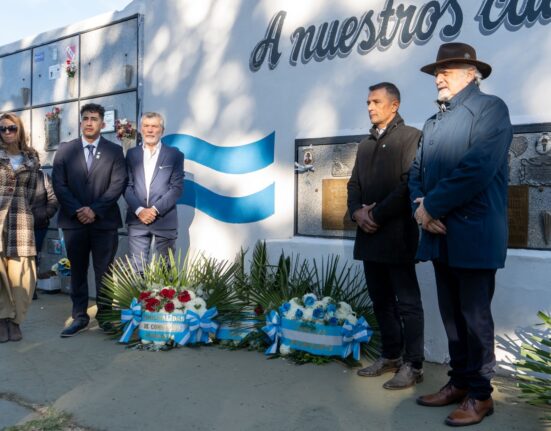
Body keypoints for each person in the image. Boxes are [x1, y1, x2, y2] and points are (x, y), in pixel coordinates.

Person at [409, 43, 512, 426]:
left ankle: (481, 395)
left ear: (471, 74)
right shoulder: (433, 122)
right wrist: (421, 210)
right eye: (437, 71)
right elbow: (416, 173)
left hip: (473, 233)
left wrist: (432, 206)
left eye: (447, 70)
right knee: (452, 317)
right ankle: (459, 383)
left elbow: (478, 167)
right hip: (439, 235)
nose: (439, 77)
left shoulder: (491, 109)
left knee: (474, 319)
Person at [347, 82, 424, 389]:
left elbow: (408, 184)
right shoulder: (364, 145)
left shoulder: (411, 136)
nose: (370, 107)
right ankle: (391, 355)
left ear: (394, 105)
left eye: (376, 102)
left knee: (408, 303)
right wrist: (357, 213)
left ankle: (413, 364)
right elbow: (354, 185)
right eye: (368, 102)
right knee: (380, 300)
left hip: (398, 235)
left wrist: (375, 215)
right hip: (369, 236)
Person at [52, 103, 127, 337]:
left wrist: (94, 210)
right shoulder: (65, 150)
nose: (89, 122)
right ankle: (80, 317)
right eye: (85, 118)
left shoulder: (114, 151)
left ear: (102, 124)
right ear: (80, 122)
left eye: (94, 119)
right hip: (73, 222)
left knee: (105, 271)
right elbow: (59, 184)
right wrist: (78, 210)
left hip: (104, 222)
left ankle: (105, 316)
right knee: (77, 271)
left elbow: (118, 184)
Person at [124, 112, 184, 271]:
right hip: (137, 221)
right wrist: (140, 210)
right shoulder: (131, 154)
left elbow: (176, 188)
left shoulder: (175, 155)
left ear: (162, 130)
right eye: (146, 126)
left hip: (164, 220)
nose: (150, 130)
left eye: (154, 126)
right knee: (137, 271)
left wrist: (154, 210)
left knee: (166, 271)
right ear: (141, 130)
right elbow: (127, 186)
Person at [0, 113, 40, 342]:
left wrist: (23, 208)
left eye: (11, 128)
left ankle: (16, 320)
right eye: (2, 129)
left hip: (21, 220)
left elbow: (32, 192)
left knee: (23, 273)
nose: (7, 132)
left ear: (19, 130)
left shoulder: (31, 158)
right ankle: (2, 318)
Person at [30, 152, 59, 299]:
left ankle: (31, 289)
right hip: (19, 225)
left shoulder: (44, 177)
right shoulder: (16, 177)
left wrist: (45, 214)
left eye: (33, 158)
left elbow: (53, 198)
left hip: (39, 225)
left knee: (34, 255)